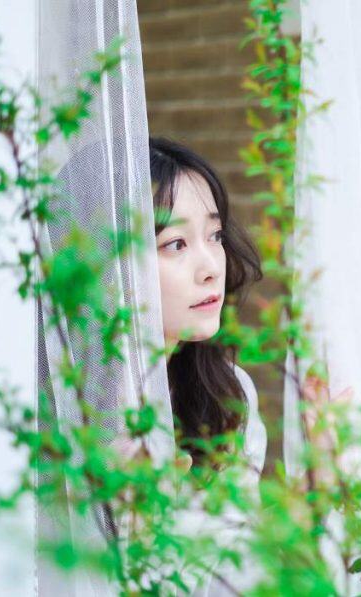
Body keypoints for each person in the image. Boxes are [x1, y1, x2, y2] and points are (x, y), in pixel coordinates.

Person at [147, 136, 267, 474]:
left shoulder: (227, 395)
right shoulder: (67, 411)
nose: (212, 268)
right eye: (176, 244)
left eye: (215, 235)